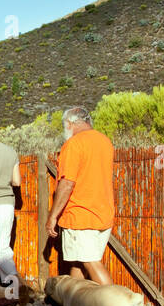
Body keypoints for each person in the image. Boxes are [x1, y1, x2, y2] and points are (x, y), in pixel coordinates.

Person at [45, 106, 115, 284]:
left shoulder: (74, 144)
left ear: (70, 123)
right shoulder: (105, 142)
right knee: (78, 263)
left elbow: (67, 183)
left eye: (64, 125)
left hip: (81, 216)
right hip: (103, 214)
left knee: (90, 263)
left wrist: (53, 216)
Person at [0, 117, 21, 291]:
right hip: (7, 204)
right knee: (3, 248)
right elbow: (16, 181)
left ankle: (16, 284)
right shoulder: (10, 151)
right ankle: (10, 292)